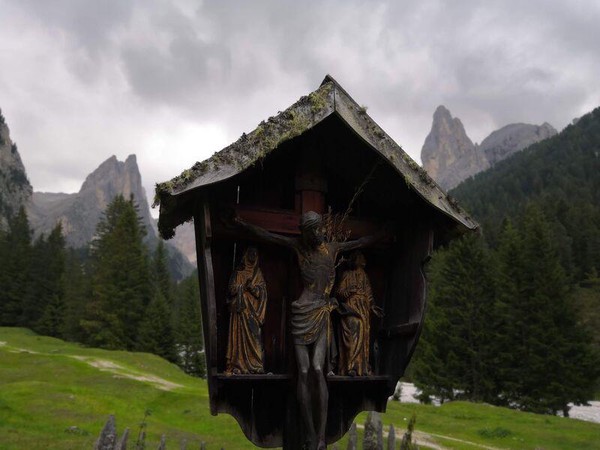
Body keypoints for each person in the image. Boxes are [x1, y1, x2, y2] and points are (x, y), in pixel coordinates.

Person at [234, 211, 385, 450]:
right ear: (304, 233)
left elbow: (360, 242)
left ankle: (321, 437)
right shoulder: (299, 247)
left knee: (317, 368)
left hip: (322, 312)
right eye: (310, 231)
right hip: (301, 311)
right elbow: (269, 236)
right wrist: (242, 223)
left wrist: (382, 234)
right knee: (303, 371)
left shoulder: (332, 248)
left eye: (317, 229)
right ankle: (310, 434)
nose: (315, 234)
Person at [335, 251, 383, 376]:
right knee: (355, 330)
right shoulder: (347, 274)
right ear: (354, 260)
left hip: (363, 308)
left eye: (363, 258)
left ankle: (362, 367)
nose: (363, 260)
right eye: (360, 258)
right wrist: (349, 291)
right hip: (351, 307)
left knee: (364, 335)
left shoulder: (364, 276)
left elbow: (369, 295)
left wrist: (373, 307)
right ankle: (351, 366)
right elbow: (339, 293)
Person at [224, 247, 268, 375]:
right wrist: (242, 287)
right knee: (238, 336)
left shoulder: (258, 273)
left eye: (255, 253)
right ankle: (237, 364)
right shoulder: (238, 273)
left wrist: (252, 287)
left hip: (253, 312)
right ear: (245, 255)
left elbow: (262, 292)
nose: (253, 255)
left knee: (255, 336)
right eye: (250, 253)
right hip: (240, 311)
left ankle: (256, 364)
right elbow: (231, 290)